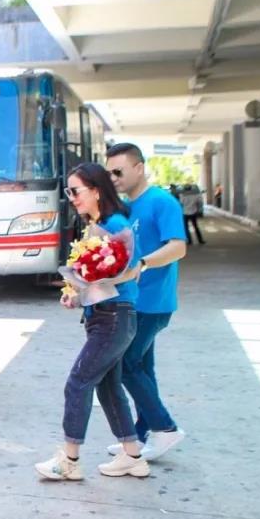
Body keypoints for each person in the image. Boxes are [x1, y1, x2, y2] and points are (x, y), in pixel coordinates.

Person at [35, 163, 145, 480]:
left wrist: (90, 282)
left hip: (114, 317)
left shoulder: (115, 224)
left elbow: (131, 270)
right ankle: (133, 456)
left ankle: (69, 461)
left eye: (75, 191)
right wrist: (77, 293)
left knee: (78, 383)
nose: (71, 197)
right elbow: (99, 275)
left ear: (96, 191)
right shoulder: (96, 226)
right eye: (68, 191)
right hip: (105, 316)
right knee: (108, 388)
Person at [105, 143, 187, 460]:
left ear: (139, 168)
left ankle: (165, 428)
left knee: (126, 364)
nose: (113, 178)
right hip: (132, 302)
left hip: (153, 302)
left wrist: (143, 263)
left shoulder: (161, 202)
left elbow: (178, 247)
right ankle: (139, 437)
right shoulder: (127, 207)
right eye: (109, 173)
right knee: (142, 368)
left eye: (118, 171)